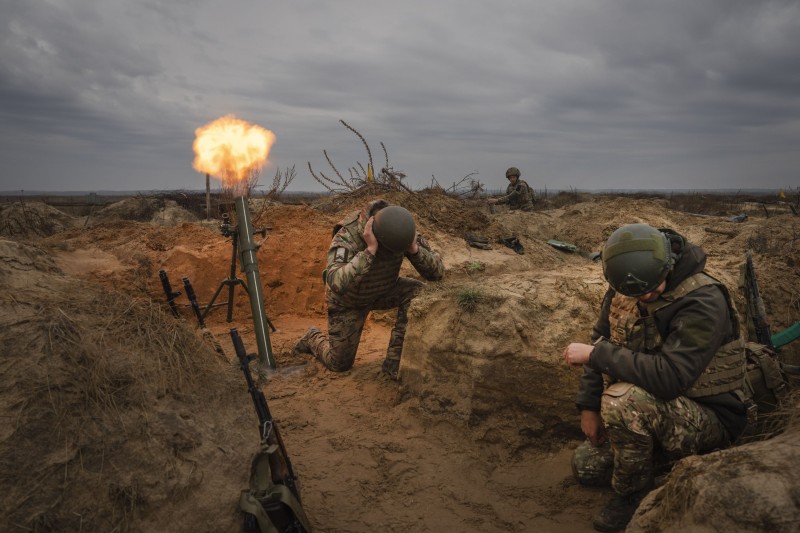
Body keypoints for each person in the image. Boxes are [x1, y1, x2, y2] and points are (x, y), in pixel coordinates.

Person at [562, 223, 749, 532]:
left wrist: (596, 356)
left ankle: (634, 495)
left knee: (623, 402)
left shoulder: (703, 300)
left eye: (652, 289)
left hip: (710, 413)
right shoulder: (631, 282)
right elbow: (601, 339)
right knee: (586, 467)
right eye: (636, 291)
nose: (644, 296)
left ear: (669, 265)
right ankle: (662, 461)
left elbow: (671, 377)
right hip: (658, 409)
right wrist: (588, 408)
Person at [294, 199, 445, 380]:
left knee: (416, 291)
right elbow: (335, 283)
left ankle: (394, 362)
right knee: (339, 364)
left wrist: (413, 249)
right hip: (349, 301)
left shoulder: (399, 229)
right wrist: (370, 250)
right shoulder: (347, 236)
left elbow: (437, 273)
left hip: (383, 290)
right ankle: (312, 337)